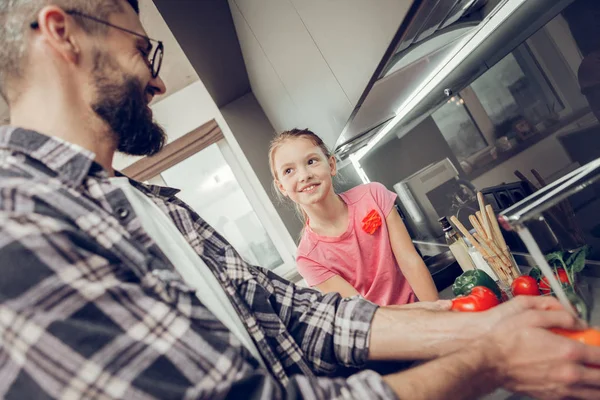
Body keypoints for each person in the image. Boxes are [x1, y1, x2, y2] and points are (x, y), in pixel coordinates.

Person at [1, 1, 600, 399]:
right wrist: (488, 358)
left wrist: (478, 321)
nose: (158, 80)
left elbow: (297, 316)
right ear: (63, 33)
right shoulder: (19, 225)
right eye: (144, 52)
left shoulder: (153, 204)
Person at [269, 129, 438, 305]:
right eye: (289, 171)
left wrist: (436, 314)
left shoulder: (373, 195)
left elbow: (410, 261)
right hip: (382, 329)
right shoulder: (308, 258)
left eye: (311, 161)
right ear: (282, 187)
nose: (304, 175)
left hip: (422, 309)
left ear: (332, 165)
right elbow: (365, 311)